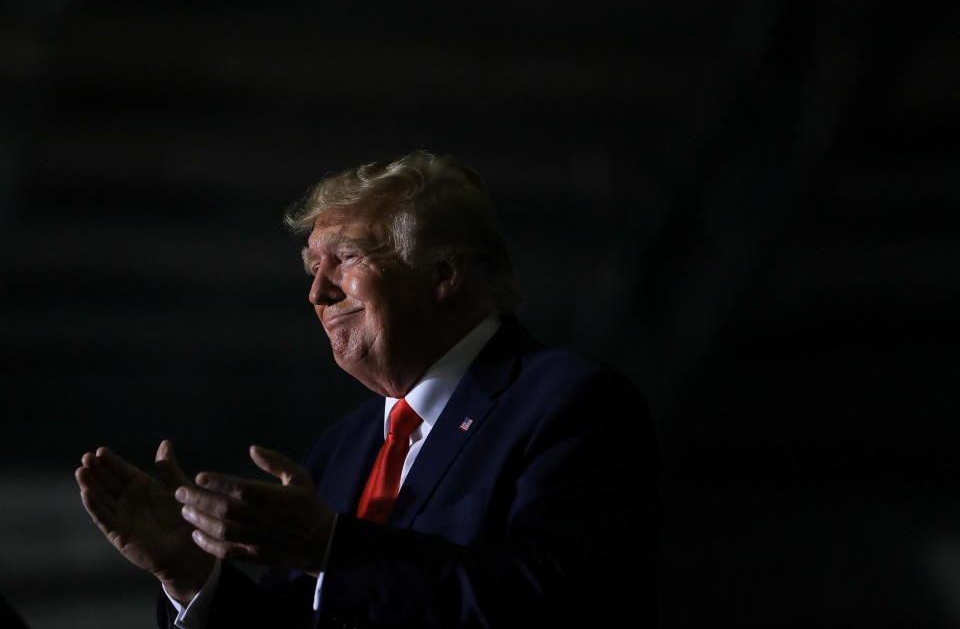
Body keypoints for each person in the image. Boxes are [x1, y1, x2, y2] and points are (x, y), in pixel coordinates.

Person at [76, 151, 659, 628]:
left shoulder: (571, 403)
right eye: (312, 268)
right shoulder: (342, 446)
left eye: (346, 258)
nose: (318, 293)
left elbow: (550, 601)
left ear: (443, 274)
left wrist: (331, 547)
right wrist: (190, 575)